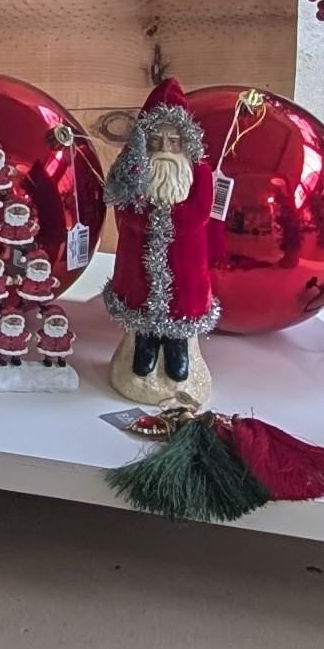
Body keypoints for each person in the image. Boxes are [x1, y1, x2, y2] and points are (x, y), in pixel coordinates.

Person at [104, 78, 219, 407]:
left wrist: (159, 218)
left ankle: (178, 346)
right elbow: (125, 209)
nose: (165, 149)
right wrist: (149, 217)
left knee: (182, 306)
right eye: (156, 141)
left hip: (185, 262)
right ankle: (145, 343)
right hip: (138, 260)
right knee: (140, 303)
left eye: (173, 141)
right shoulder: (131, 168)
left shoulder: (201, 173)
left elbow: (197, 215)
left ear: (186, 142)